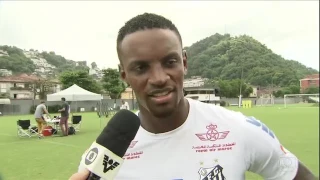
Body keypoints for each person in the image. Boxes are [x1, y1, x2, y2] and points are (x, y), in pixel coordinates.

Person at [70, 13, 316, 180]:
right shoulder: (105, 156)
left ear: (184, 62)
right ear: (124, 74)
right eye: (141, 68)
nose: (158, 78)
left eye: (170, 62)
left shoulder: (238, 129)